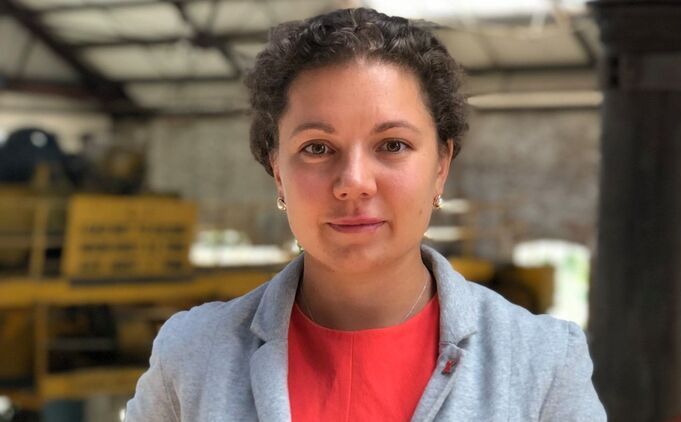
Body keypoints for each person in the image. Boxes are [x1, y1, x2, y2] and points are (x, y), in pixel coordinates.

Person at [126, 8, 606, 422]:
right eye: (317, 148)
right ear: (277, 172)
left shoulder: (542, 363)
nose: (354, 181)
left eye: (392, 145)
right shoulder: (193, 356)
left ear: (441, 166)